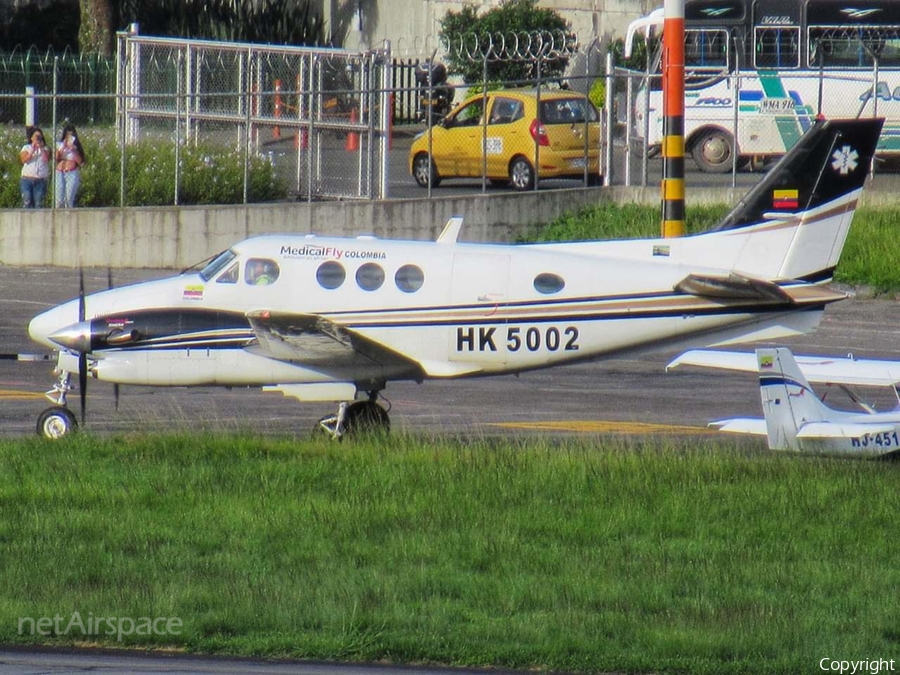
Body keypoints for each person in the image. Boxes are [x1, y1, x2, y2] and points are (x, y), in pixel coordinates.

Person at [55, 123, 86, 208]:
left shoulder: (76, 147)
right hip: (60, 172)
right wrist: (63, 147)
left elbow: (81, 163)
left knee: (69, 199)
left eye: (71, 135)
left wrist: (73, 150)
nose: (69, 137)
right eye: (67, 134)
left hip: (71, 172)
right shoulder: (59, 145)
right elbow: (56, 158)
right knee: (59, 199)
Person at [19, 126, 51, 208]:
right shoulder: (26, 147)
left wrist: (41, 148)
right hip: (27, 179)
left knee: (39, 202)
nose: (38, 138)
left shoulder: (45, 148)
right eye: (36, 136)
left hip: (40, 180)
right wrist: (33, 149)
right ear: (32, 137)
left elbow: (46, 159)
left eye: (39, 136)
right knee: (27, 199)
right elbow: (24, 160)